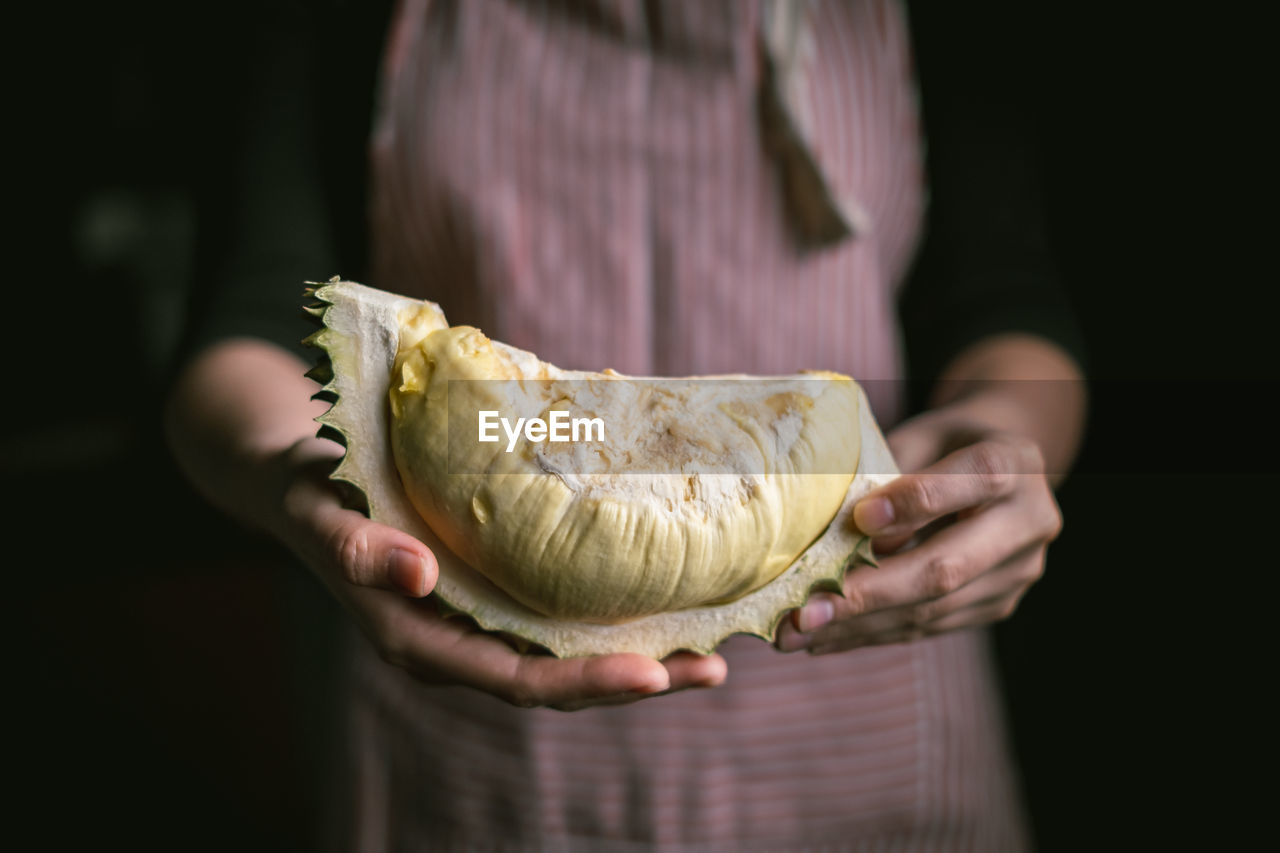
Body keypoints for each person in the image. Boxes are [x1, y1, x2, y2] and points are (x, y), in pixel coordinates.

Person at [166, 0, 1085, 848]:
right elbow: (247, 315)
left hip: (872, 702)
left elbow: (1006, 302)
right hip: (481, 751)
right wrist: (291, 475)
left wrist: (999, 443)